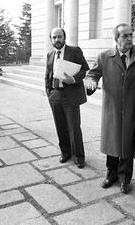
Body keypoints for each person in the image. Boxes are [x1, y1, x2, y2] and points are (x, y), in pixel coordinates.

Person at [85, 23, 135, 194]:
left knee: (127, 145)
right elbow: (92, 74)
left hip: (133, 109)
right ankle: (111, 175)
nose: (129, 39)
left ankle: (125, 179)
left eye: (131, 35)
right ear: (116, 38)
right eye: (125, 36)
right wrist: (91, 82)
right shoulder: (104, 57)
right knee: (112, 143)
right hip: (112, 108)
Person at [45, 27, 89, 168]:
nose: (57, 40)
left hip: (71, 95)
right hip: (55, 95)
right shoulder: (50, 55)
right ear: (51, 39)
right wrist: (49, 92)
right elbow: (48, 74)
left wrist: (74, 79)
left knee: (74, 128)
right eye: (54, 37)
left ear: (64, 37)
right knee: (60, 126)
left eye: (59, 37)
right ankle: (65, 153)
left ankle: (79, 157)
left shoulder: (74, 51)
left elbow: (84, 69)